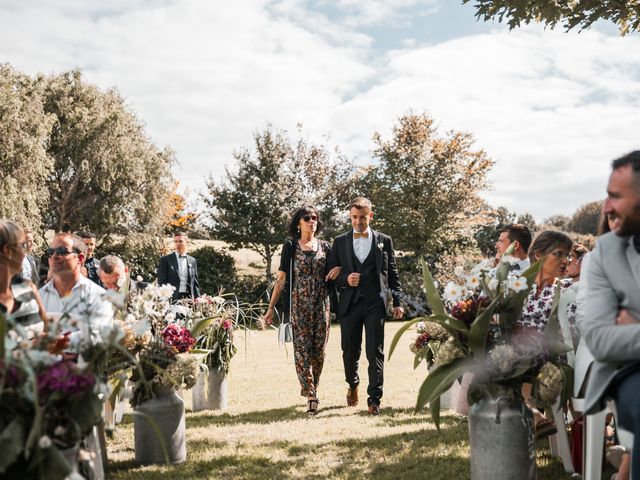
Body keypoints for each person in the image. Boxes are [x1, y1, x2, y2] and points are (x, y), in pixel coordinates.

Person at [580, 151, 640, 479]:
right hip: (631, 369)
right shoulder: (606, 251)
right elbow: (602, 340)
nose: (605, 206)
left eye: (615, 195)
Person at [260, 205, 341, 415]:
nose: (311, 220)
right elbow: (281, 280)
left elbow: (336, 270)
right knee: (302, 349)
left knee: (319, 351)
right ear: (298, 223)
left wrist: (338, 269)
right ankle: (311, 394)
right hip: (298, 304)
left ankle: (314, 385)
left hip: (322, 304)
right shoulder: (290, 247)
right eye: (306, 218)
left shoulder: (326, 246)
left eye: (314, 217)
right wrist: (270, 309)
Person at [327, 197, 404, 416]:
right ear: (350, 217)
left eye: (362, 217)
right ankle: (352, 384)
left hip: (375, 304)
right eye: (354, 217)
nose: (358, 221)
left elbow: (393, 273)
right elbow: (331, 274)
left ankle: (374, 399)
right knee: (349, 353)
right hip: (349, 305)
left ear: (371, 215)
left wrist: (397, 301)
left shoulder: (384, 240)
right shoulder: (340, 241)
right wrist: (345, 280)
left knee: (375, 352)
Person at [516, 230, 574, 438]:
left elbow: (572, 332)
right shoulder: (518, 286)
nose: (565, 260)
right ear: (538, 255)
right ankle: (533, 415)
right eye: (558, 254)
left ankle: (532, 416)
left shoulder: (567, 290)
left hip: (553, 357)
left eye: (567, 255)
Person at [39, 233, 113, 349]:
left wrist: (59, 343)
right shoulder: (39, 297)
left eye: (62, 251)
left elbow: (99, 335)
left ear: (80, 258)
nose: (54, 256)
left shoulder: (98, 296)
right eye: (50, 252)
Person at [0, 219, 47, 337]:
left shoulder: (28, 289)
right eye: (23, 245)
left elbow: (47, 332)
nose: (24, 252)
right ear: (7, 251)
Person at [157, 232, 200, 302]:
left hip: (188, 299)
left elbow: (195, 283)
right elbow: (162, 282)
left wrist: (198, 299)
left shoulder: (192, 260)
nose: (178, 244)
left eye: (180, 241)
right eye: (176, 241)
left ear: (186, 242)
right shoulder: (165, 260)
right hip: (172, 298)